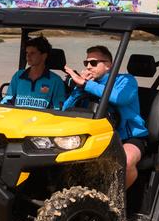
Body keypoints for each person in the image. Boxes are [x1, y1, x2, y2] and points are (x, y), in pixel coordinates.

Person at [63, 45, 148, 188]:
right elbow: (65, 110)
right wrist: (78, 88)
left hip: (128, 138)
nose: (88, 67)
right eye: (86, 63)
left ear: (109, 65)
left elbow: (119, 98)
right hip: (96, 136)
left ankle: (116, 201)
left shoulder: (126, 81)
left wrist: (86, 84)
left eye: (94, 63)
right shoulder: (89, 85)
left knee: (125, 162)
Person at [1, 36, 66, 110]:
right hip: (18, 119)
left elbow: (58, 108)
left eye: (32, 53)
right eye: (27, 53)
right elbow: (7, 101)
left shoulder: (56, 81)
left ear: (44, 56)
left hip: (43, 120)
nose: (28, 56)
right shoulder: (18, 76)